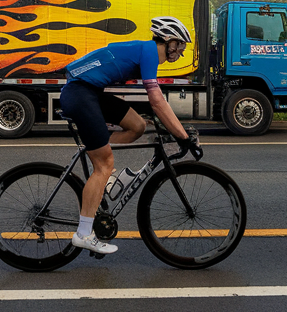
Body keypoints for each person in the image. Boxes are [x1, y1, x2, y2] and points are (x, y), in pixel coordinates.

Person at [58, 16, 199, 255]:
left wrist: (173, 128)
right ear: (168, 40)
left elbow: (152, 101)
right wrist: (183, 137)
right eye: (180, 45)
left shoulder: (146, 52)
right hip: (80, 94)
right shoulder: (150, 52)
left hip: (89, 92)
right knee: (104, 165)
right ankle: (83, 233)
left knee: (137, 126)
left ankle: (99, 158)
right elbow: (157, 101)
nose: (181, 52)